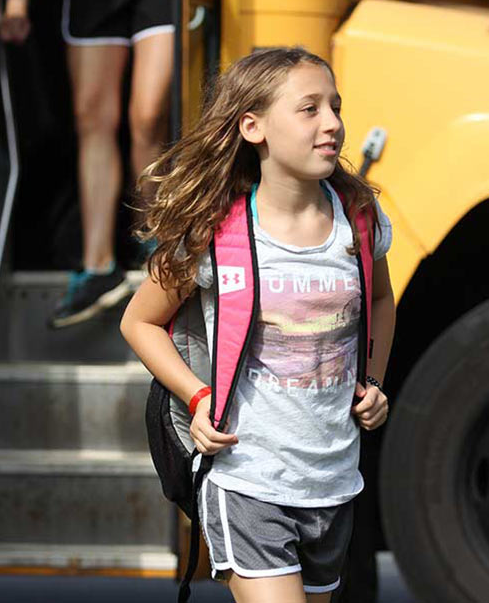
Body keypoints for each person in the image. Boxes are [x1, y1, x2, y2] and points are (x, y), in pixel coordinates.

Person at [120, 47, 396, 603]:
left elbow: (383, 301)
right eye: (310, 109)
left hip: (332, 481)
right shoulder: (215, 234)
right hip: (247, 478)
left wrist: (374, 382)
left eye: (335, 107)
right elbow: (140, 322)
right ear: (253, 127)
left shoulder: (360, 220)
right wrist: (197, 398)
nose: (334, 124)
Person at [0, 0, 175, 328]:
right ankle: (98, 266)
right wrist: (18, 0)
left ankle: (155, 243)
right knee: (93, 120)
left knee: (149, 116)